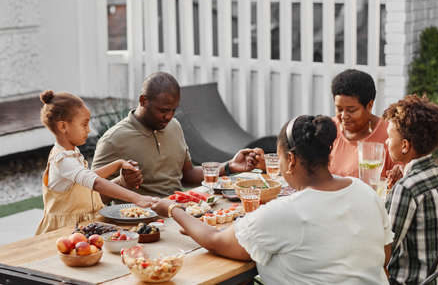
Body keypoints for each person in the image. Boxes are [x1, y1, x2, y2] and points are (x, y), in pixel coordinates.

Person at [151, 115, 393, 285]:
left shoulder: (288, 212)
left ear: (292, 160)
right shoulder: (366, 192)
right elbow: (385, 255)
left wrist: (172, 208)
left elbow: (215, 240)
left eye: (278, 158)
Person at [92, 71, 261, 200]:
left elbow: (188, 174)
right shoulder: (113, 140)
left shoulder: (174, 126)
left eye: (173, 110)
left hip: (179, 210)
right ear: (143, 101)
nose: (169, 116)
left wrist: (230, 166)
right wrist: (122, 183)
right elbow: (89, 198)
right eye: (163, 111)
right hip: (141, 222)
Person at [36, 90, 157, 235]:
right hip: (64, 232)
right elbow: (95, 182)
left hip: (83, 226)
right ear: (63, 127)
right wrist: (137, 198)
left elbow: (86, 178)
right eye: (84, 125)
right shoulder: (63, 160)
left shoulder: (71, 153)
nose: (89, 130)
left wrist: (117, 164)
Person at [383, 95, 438, 284]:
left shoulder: (407, 189)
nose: (387, 142)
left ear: (405, 145)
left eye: (389, 137)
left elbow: (383, 250)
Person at [329, 69, 397, 184]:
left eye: (351, 110)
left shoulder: (390, 135)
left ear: (369, 105)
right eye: (339, 109)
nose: (344, 116)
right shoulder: (328, 129)